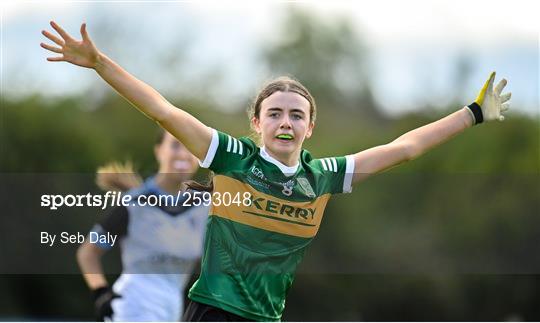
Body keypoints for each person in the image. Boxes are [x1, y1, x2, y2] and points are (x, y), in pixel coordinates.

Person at [42, 21, 511, 321]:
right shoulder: (231, 157)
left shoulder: (323, 176)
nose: (285, 122)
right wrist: (100, 63)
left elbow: (405, 146)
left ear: (310, 127)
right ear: (257, 122)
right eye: (275, 113)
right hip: (213, 313)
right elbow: (163, 111)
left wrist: (472, 112)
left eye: (296, 115)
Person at [76, 129, 208, 321]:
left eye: (190, 147)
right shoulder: (133, 204)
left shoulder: (204, 207)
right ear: (159, 151)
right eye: (175, 145)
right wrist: (100, 292)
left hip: (173, 307)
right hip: (134, 305)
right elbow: (88, 252)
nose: (183, 154)